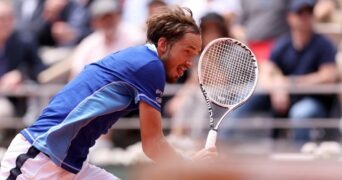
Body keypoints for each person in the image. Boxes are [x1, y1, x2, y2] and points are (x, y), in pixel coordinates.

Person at [0, 6, 217, 179]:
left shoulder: (142, 60)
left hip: (70, 165)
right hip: (36, 159)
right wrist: (190, 167)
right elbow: (153, 144)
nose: (190, 62)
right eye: (187, 51)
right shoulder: (150, 66)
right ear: (163, 45)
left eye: (194, 54)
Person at [228, 0, 338, 145]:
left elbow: (328, 76)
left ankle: (299, 160)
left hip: (314, 100)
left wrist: (290, 83)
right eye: (300, 13)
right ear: (290, 17)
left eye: (309, 13)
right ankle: (223, 145)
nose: (305, 17)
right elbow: (267, 70)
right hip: (283, 98)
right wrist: (277, 88)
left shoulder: (323, 44)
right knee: (246, 96)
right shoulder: (283, 43)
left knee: (301, 113)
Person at [0, 0, 46, 119]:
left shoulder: (24, 41)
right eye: (1, 19)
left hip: (14, 100)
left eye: (8, 18)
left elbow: (39, 69)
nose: (4, 23)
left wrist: (21, 75)